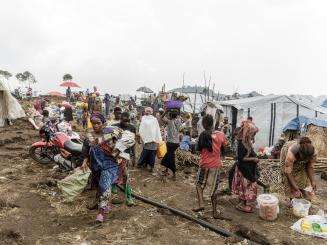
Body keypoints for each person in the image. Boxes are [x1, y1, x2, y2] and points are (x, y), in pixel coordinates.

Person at [81, 113, 120, 222]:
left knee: (105, 186)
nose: (95, 125)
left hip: (109, 164)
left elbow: (120, 148)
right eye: (93, 123)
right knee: (99, 185)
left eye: (98, 123)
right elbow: (86, 149)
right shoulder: (89, 134)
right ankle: (96, 203)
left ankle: (101, 213)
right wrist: (85, 161)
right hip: (96, 164)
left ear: (103, 123)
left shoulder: (111, 134)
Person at [193, 115, 227, 218]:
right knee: (214, 189)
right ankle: (215, 212)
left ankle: (201, 204)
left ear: (203, 124)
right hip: (216, 165)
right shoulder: (221, 134)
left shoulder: (202, 135)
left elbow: (197, 149)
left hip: (205, 164)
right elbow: (224, 149)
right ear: (213, 123)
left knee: (199, 185)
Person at [232, 120, 260, 213]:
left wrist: (254, 156)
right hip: (243, 169)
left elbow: (249, 153)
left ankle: (243, 202)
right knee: (245, 187)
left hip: (247, 168)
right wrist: (253, 159)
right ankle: (242, 204)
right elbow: (241, 159)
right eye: (252, 134)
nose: (253, 136)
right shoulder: (241, 143)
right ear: (248, 133)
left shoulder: (247, 142)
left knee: (244, 187)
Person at [280, 136, 317, 201]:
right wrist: (295, 188)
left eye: (307, 158)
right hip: (288, 155)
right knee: (287, 178)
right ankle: (291, 198)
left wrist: (313, 181)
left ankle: (303, 194)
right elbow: (288, 172)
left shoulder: (313, 152)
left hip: (299, 156)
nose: (305, 159)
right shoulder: (291, 152)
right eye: (304, 157)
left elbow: (310, 167)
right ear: (300, 153)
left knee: (303, 177)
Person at [138, 107, 162, 172]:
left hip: (152, 140)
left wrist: (157, 138)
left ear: (151, 112)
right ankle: (143, 164)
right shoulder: (144, 118)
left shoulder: (154, 119)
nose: (147, 112)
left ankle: (150, 166)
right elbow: (141, 128)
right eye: (147, 111)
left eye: (149, 111)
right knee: (146, 153)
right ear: (145, 111)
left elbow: (157, 129)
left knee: (150, 154)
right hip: (147, 140)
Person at [160, 110, 181, 179]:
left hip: (170, 143)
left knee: (171, 157)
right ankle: (166, 169)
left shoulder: (169, 122)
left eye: (169, 115)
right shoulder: (178, 121)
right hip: (176, 143)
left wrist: (166, 111)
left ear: (170, 116)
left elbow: (161, 117)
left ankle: (174, 173)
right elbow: (178, 115)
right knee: (169, 155)